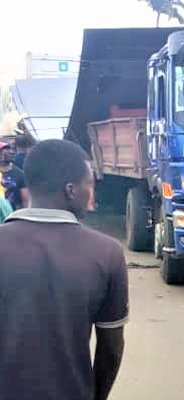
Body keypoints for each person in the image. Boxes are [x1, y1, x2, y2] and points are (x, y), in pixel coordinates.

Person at [0, 139, 129, 400]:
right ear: (71, 190)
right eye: (90, 183)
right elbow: (111, 349)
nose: (92, 195)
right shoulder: (107, 253)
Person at [0, 141, 29, 209]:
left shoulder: (20, 174)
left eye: (11, 149)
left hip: (13, 216)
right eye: (6, 150)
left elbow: (26, 201)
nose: (11, 152)